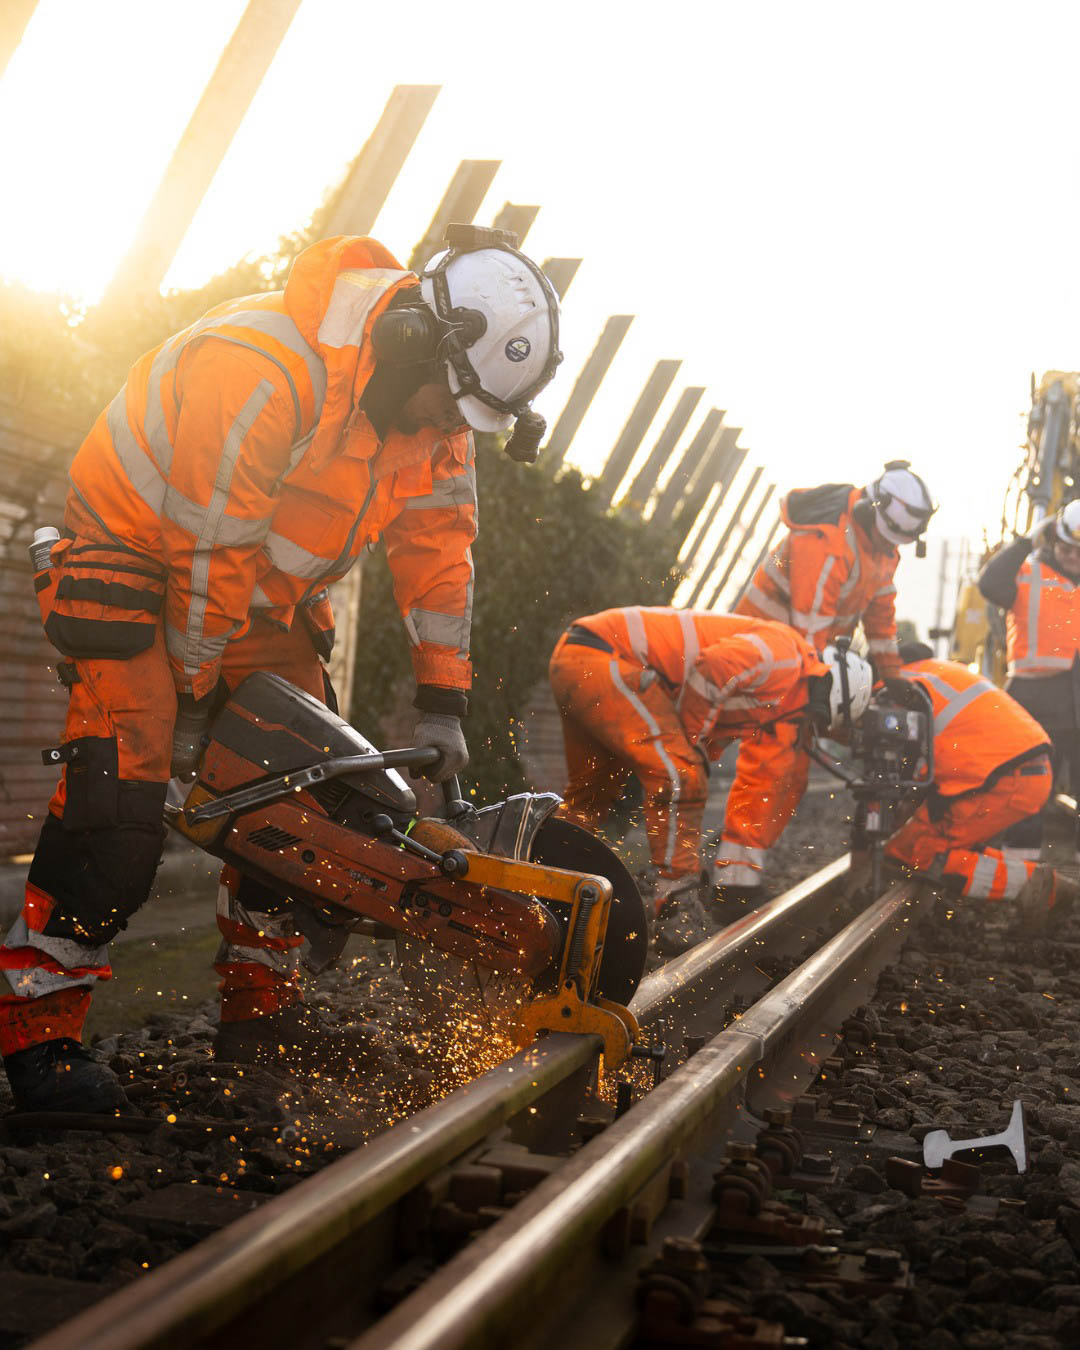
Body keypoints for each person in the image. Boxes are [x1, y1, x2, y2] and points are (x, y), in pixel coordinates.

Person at [1, 229, 562, 1112]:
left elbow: (439, 552)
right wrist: (192, 686)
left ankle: (259, 1014)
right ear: (414, 338)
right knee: (120, 802)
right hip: (134, 567)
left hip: (253, 596)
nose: (453, 428)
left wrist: (441, 701)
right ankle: (37, 1039)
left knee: (305, 798)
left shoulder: (442, 409)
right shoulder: (261, 366)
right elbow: (205, 546)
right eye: (450, 408)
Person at [548, 608, 873, 913]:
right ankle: (678, 902)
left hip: (575, 659)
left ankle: (548, 883)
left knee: (588, 801)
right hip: (608, 659)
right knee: (681, 777)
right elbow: (714, 668)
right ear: (834, 700)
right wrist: (690, 747)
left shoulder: (779, 692)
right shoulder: (785, 656)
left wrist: (699, 750)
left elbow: (715, 730)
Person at [882, 645, 1077, 926]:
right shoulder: (940, 673)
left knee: (917, 853)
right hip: (1019, 771)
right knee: (913, 846)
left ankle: (1038, 888)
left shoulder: (896, 686)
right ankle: (1032, 881)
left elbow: (912, 766)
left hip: (1005, 779)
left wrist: (896, 815)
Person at [736, 461, 935, 679]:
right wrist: (818, 681)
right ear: (868, 512)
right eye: (887, 539)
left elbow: (880, 616)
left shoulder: (880, 547)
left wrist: (891, 674)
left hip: (799, 655)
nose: (890, 547)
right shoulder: (826, 541)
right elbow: (810, 629)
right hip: (758, 650)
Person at [977, 501, 1080, 858]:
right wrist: (1026, 541)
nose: (1072, 558)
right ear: (1054, 542)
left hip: (1074, 705)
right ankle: (1017, 877)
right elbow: (989, 583)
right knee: (1028, 791)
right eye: (1067, 549)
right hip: (1034, 702)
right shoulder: (1027, 573)